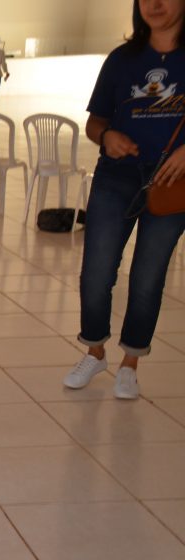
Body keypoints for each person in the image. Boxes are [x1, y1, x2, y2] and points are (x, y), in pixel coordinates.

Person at [63, 0, 185, 399]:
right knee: (96, 271)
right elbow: (95, 120)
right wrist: (106, 136)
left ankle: (130, 362)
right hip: (117, 177)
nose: (155, 4)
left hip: (171, 182)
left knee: (148, 276)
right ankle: (95, 351)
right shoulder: (122, 59)